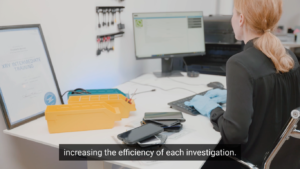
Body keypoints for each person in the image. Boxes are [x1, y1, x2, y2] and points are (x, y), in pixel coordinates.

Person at [185, 0, 300, 168]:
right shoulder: (289, 56)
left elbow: (234, 135)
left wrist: (211, 109)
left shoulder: (239, 63)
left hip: (250, 162)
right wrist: (239, 95)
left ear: (241, 19)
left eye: (233, 13)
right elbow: (278, 98)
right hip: (282, 160)